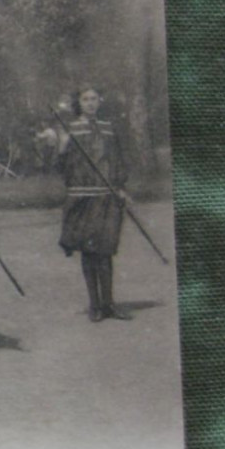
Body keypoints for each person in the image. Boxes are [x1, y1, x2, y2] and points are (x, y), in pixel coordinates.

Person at [56, 85, 131, 321]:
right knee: (89, 251)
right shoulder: (71, 130)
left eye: (94, 99)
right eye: (85, 99)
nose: (90, 103)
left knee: (106, 250)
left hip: (106, 196)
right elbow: (60, 168)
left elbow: (117, 161)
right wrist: (62, 148)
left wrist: (120, 187)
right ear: (79, 102)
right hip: (83, 197)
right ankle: (95, 305)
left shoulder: (109, 129)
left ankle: (109, 303)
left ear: (100, 101)